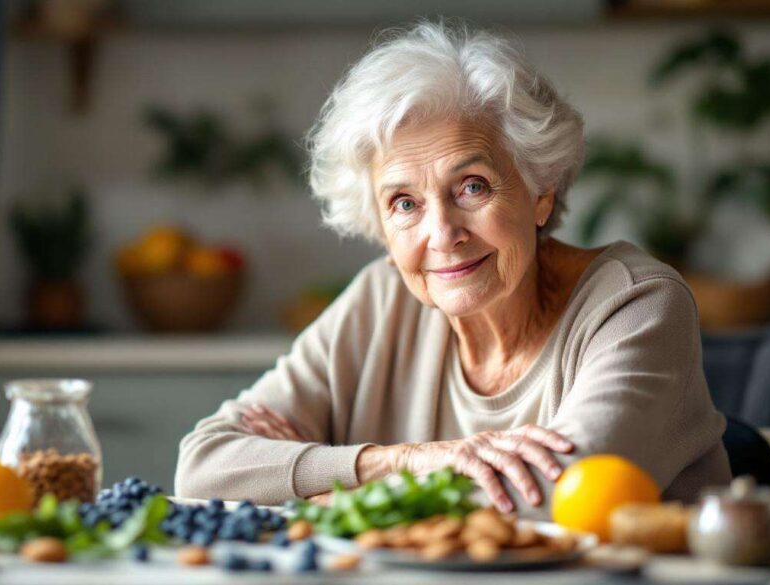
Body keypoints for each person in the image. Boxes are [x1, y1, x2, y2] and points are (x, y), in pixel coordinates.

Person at [175, 20, 730, 515]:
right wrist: (401, 462)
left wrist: (320, 487)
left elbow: (558, 495)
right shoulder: (381, 301)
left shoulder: (634, 304)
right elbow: (204, 468)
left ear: (540, 191)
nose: (442, 234)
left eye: (472, 186)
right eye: (404, 203)